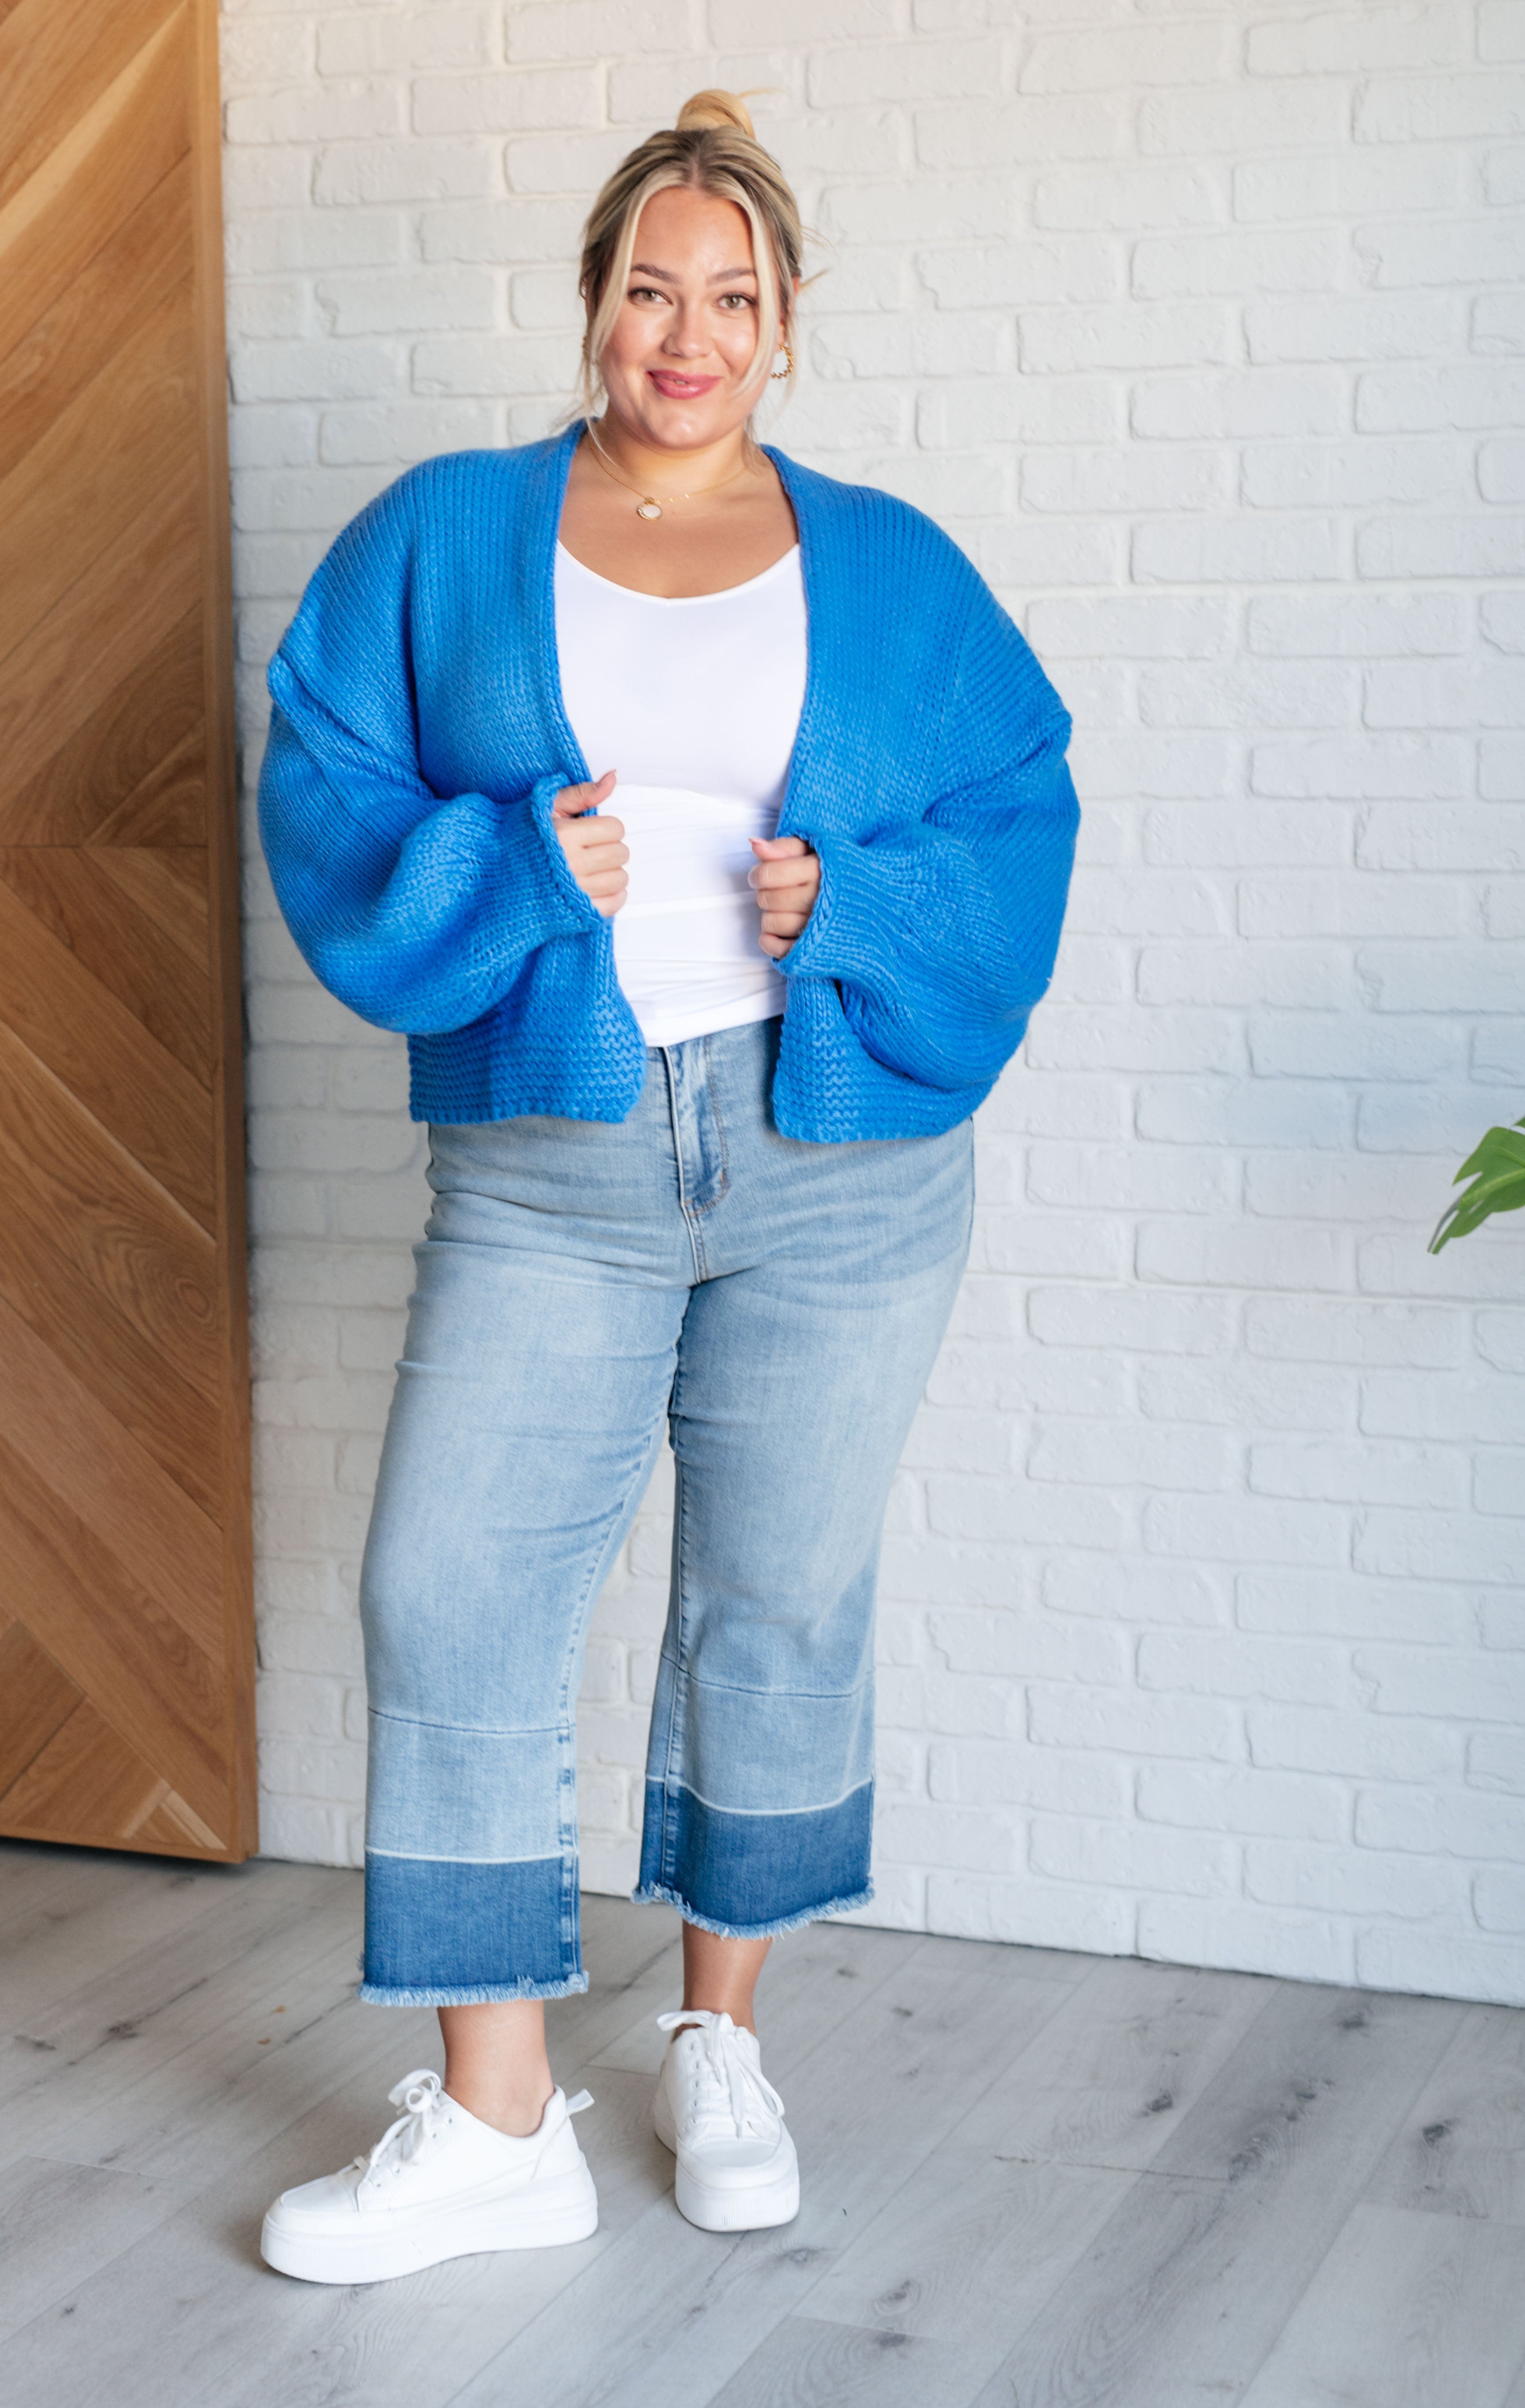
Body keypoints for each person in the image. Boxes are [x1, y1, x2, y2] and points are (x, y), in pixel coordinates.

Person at [254, 89, 1078, 2286]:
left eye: (732, 298)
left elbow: (1022, 813)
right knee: (450, 1588)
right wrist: (511, 868)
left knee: (776, 1599)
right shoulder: (453, 538)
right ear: (595, 309)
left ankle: (719, 2042)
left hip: (843, 1165)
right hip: (557, 1155)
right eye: (649, 291)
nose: (684, 335)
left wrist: (866, 910)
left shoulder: (886, 565)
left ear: (785, 323)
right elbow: (324, 780)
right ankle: (501, 2120)